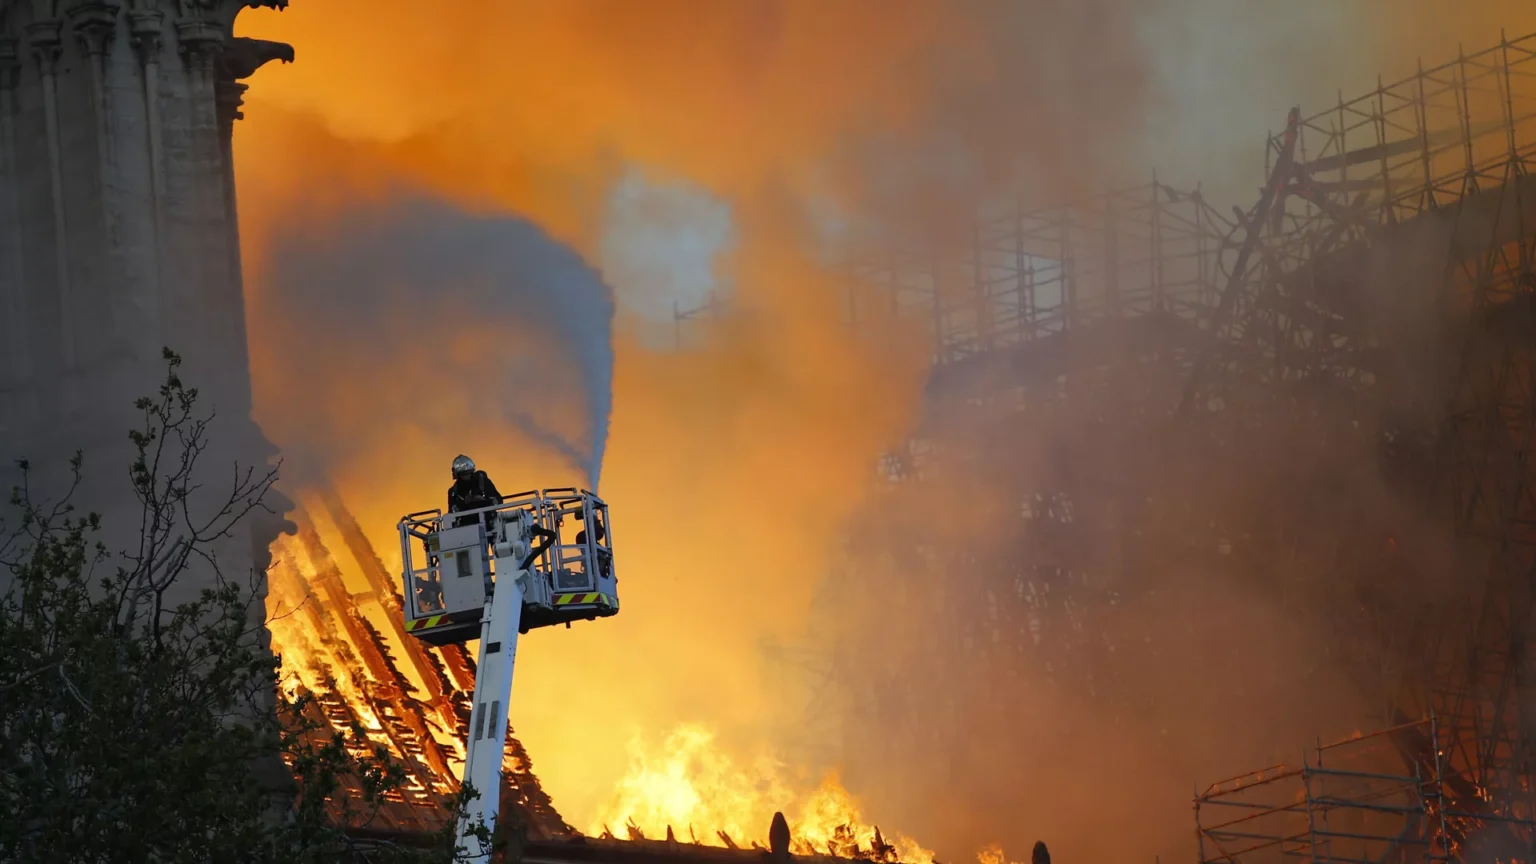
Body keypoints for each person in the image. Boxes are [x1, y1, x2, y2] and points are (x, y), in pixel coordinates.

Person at [447, 454, 502, 529]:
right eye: (464, 474)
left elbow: (498, 500)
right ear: (457, 475)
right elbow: (452, 514)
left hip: (490, 525)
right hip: (466, 529)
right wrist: (464, 503)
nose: (468, 476)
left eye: (470, 472)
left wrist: (482, 500)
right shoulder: (453, 492)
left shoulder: (482, 482)